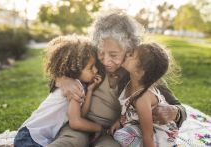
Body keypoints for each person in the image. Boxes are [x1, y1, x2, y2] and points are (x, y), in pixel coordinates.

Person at [48, 10, 186, 147]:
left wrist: (175, 112)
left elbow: (179, 107)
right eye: (101, 52)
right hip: (81, 124)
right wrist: (62, 79)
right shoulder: (93, 62)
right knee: (68, 142)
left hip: (112, 131)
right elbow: (65, 69)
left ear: (129, 50)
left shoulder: (139, 73)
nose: (106, 60)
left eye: (114, 55)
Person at [14, 35, 103, 147]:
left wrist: (89, 91)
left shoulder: (78, 85)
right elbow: (76, 123)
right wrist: (99, 128)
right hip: (31, 137)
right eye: (90, 67)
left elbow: (81, 115)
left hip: (33, 135)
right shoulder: (74, 86)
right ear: (74, 69)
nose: (95, 70)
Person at [111, 43, 178, 147]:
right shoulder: (129, 84)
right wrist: (118, 121)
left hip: (159, 135)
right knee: (120, 133)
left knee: (120, 135)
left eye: (132, 55)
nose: (127, 54)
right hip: (139, 127)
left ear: (139, 72)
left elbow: (148, 135)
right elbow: (127, 109)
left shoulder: (142, 98)